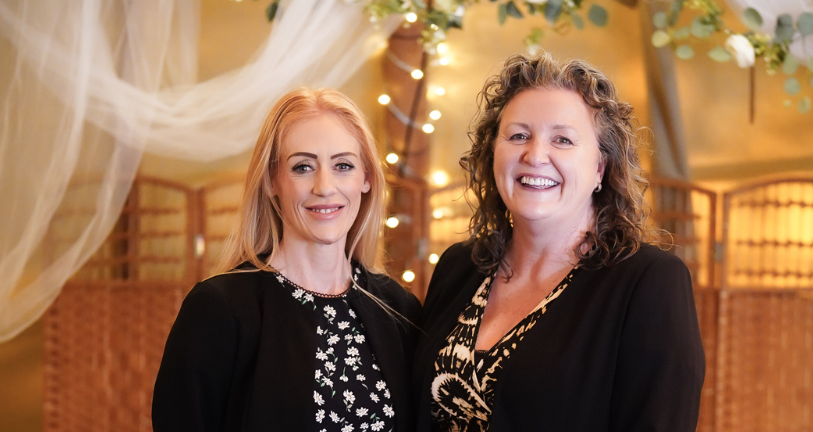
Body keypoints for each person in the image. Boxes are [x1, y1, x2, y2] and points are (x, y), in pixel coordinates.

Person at [412, 54, 705, 431]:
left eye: (562, 140)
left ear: (600, 168)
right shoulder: (458, 266)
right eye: (518, 135)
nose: (535, 155)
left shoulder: (648, 282)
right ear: (492, 154)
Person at [153, 88, 421, 432]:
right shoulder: (218, 309)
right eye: (303, 167)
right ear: (271, 181)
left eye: (343, 165)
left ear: (366, 179)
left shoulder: (400, 310)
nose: (324, 186)